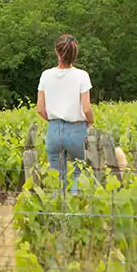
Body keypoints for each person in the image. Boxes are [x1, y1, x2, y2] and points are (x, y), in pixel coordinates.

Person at [36, 33, 93, 189]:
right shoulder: (82, 76)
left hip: (54, 129)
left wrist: (53, 121)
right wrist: (91, 120)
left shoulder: (45, 75)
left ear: (56, 51)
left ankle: (57, 208)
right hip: (75, 129)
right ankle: (74, 208)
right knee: (77, 173)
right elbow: (86, 108)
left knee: (57, 176)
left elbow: (40, 108)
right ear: (75, 54)